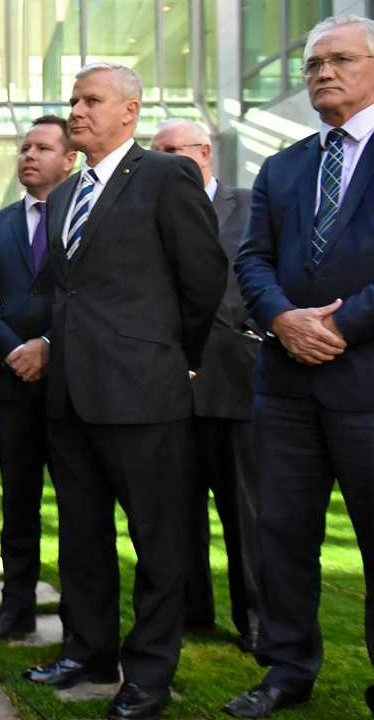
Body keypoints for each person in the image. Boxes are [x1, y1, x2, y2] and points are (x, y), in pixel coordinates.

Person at [21, 62, 225, 720]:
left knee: (158, 541)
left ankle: (149, 674)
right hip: (71, 398)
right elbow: (67, 294)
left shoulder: (166, 176)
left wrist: (170, 358)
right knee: (81, 536)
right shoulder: (64, 194)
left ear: (130, 111)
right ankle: (88, 650)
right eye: (73, 100)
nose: (76, 111)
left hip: (145, 394)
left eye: (91, 100)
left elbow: (203, 281)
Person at [227, 15, 374, 718]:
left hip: (367, 383)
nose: (322, 73)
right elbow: (250, 258)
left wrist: (339, 326)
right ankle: (288, 668)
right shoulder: (283, 165)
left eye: (340, 59)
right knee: (282, 536)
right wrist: (284, 320)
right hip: (284, 388)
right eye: (314, 63)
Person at [151, 118, 262, 654]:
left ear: (204, 152)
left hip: (235, 381)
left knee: (246, 513)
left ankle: (258, 621)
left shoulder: (249, 203)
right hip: (167, 387)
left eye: (176, 151)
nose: (168, 161)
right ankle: (192, 610)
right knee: (175, 510)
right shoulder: (149, 212)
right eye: (158, 152)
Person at [0, 116, 75, 641]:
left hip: (73, 386)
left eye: (42, 147)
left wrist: (50, 348)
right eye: (24, 147)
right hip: (10, 385)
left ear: (69, 158)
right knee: (17, 506)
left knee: (80, 507)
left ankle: (81, 619)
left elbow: (92, 296)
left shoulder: (88, 218)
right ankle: (15, 607)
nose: (29, 155)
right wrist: (15, 349)